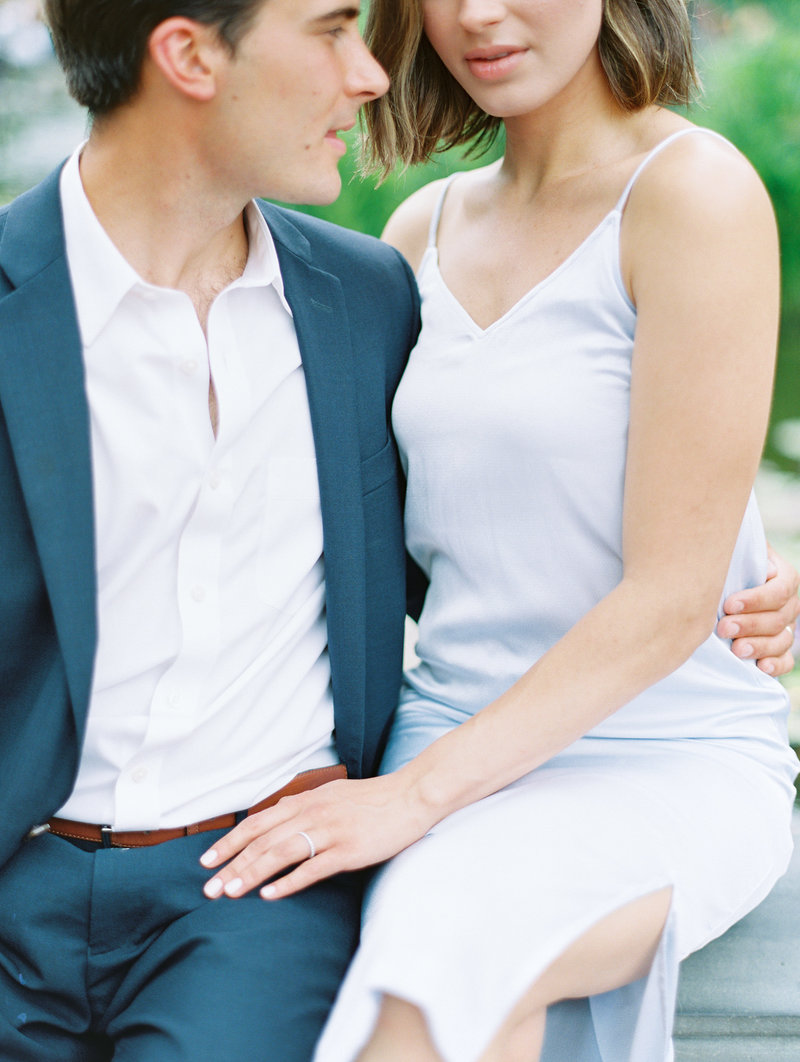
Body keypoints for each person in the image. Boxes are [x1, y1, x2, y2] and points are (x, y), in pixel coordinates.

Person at [196, 2, 800, 1061]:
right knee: (453, 965)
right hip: (451, 724)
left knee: (444, 967)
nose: (476, 14)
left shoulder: (692, 195)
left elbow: (667, 601)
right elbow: (409, 560)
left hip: (659, 750)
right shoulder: (417, 231)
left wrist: (408, 803)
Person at [0, 2, 420, 1059]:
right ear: (188, 54)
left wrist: (717, 595)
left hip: (254, 896)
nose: (368, 75)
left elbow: (469, 560)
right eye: (330, 30)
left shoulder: (367, 303)